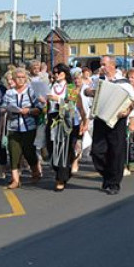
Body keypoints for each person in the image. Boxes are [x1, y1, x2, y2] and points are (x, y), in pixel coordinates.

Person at [84, 56, 134, 195]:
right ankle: (107, 174)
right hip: (101, 117)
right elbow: (85, 91)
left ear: (112, 65)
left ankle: (114, 183)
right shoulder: (97, 80)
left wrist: (127, 112)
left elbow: (132, 101)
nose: (101, 67)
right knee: (97, 151)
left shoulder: (124, 83)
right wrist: (92, 92)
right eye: (101, 64)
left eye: (104, 64)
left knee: (116, 151)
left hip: (117, 120)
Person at [45, 63, 86, 191]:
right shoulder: (51, 86)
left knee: (62, 151)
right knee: (52, 149)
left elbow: (72, 107)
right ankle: (64, 170)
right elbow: (47, 106)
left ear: (65, 74)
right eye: (54, 73)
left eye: (59, 72)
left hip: (66, 121)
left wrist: (58, 100)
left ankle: (60, 179)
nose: (56, 75)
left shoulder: (71, 88)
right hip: (52, 120)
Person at [2, 67, 44, 189]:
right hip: (13, 127)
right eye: (18, 78)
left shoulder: (31, 91)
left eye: (22, 78)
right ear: (14, 79)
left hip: (29, 127)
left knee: (29, 151)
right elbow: (3, 106)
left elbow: (40, 108)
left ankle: (35, 171)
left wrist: (29, 110)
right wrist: (7, 110)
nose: (20, 80)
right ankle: (15, 180)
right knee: (13, 153)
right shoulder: (9, 92)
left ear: (26, 79)